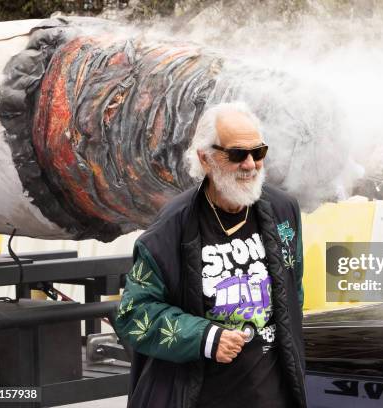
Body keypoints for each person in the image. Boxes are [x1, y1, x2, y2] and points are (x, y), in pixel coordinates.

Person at [114, 102, 306, 408]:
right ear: (206, 158)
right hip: (199, 396)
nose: (250, 164)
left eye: (258, 152)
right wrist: (205, 338)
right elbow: (133, 315)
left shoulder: (284, 211)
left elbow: (293, 293)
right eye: (237, 154)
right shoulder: (171, 227)